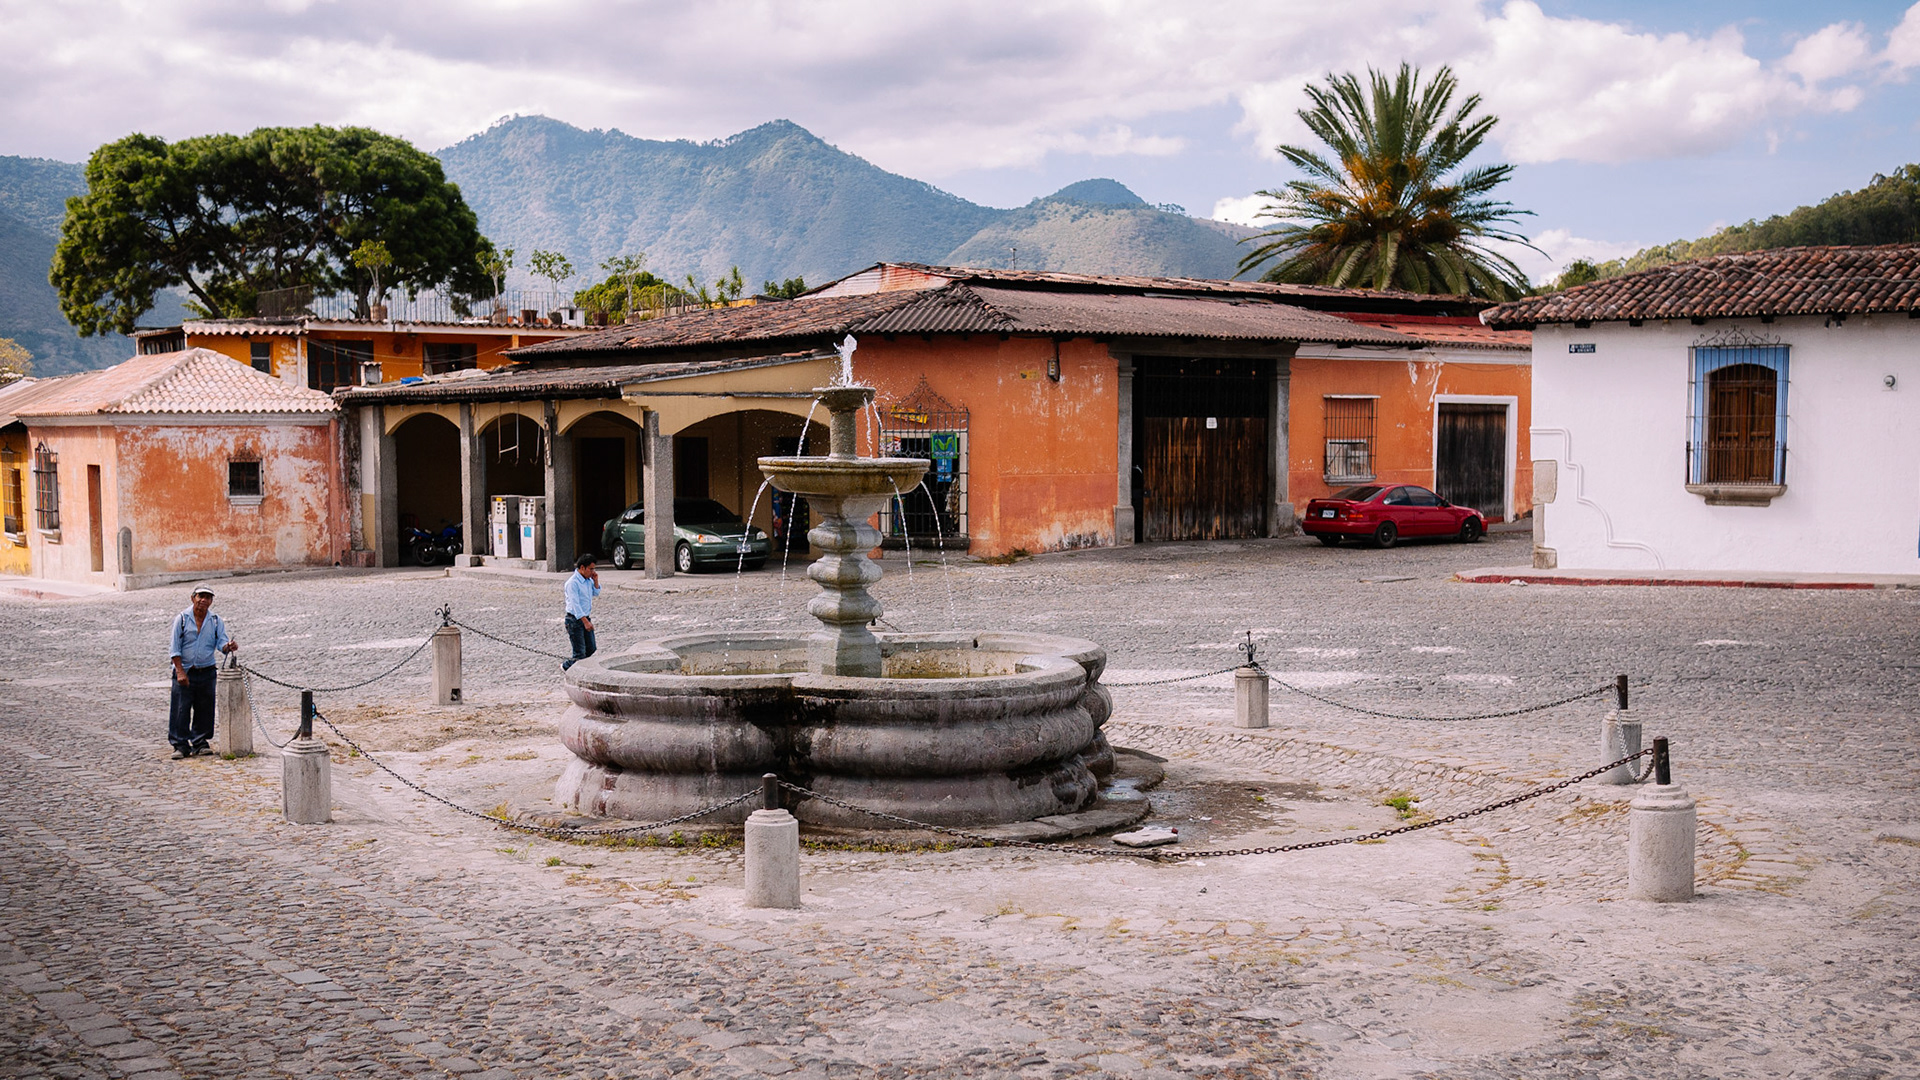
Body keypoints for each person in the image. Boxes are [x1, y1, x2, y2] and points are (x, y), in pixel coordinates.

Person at [168, 583, 237, 759]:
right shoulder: (182, 619)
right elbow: (174, 649)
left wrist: (228, 647)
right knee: (181, 709)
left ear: (211, 601)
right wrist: (180, 672)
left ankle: (200, 742)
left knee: (205, 708)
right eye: (201, 596)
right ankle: (180, 745)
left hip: (207, 670)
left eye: (208, 597)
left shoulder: (215, 621)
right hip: (185, 670)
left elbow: (221, 642)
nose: (204, 600)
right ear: (193, 598)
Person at [563, 553, 601, 670]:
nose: (592, 571)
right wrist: (585, 622)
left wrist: (595, 581)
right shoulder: (573, 583)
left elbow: (596, 593)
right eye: (590, 569)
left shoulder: (588, 580)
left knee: (591, 647)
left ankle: (573, 666)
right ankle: (568, 666)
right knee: (580, 652)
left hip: (585, 617)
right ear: (582, 568)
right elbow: (575, 605)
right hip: (575, 619)